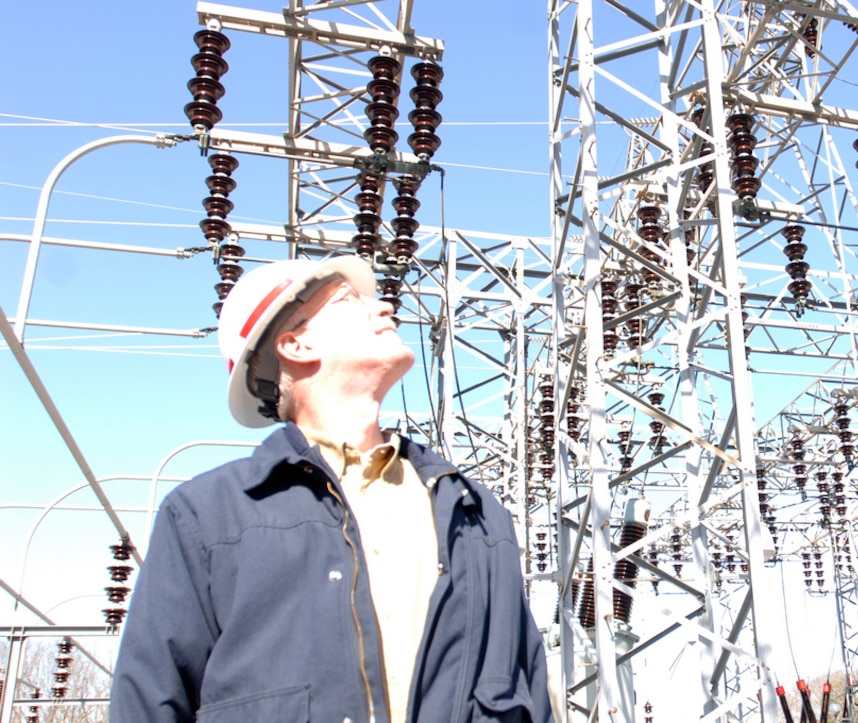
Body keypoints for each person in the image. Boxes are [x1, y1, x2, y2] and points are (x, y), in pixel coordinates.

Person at [110, 256, 554, 723]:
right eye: (349, 301)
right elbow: (149, 704)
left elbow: (529, 691)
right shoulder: (210, 518)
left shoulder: (476, 514)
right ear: (295, 344)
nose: (385, 308)